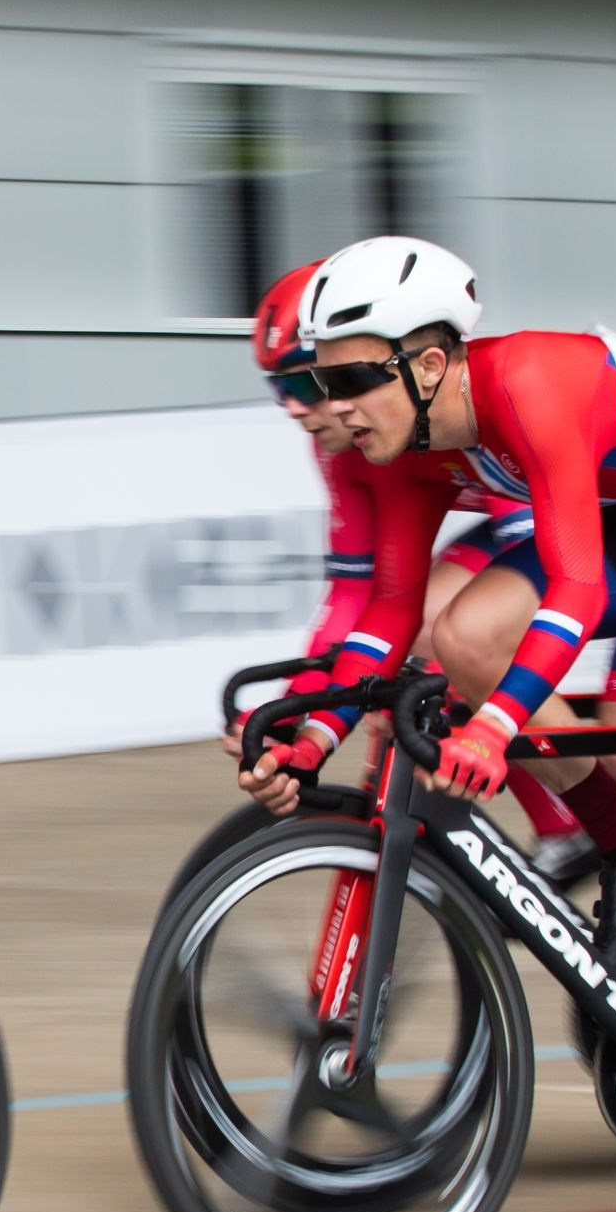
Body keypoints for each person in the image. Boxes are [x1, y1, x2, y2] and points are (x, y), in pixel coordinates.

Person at [264, 236, 616, 1200]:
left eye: (351, 375)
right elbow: (390, 617)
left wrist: (497, 727)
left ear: (429, 364)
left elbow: (578, 589)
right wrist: (309, 735)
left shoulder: (535, 380)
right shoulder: (399, 446)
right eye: (315, 377)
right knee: (462, 636)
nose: (332, 405)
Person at [239, 262, 596, 883]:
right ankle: (561, 824)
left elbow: (546, 560)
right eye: (280, 392)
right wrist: (296, 709)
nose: (295, 410)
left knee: (444, 633)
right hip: (509, 528)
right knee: (398, 653)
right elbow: (354, 596)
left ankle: (573, 823)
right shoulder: (348, 451)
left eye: (306, 386)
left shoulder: (448, 411)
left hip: (561, 523)